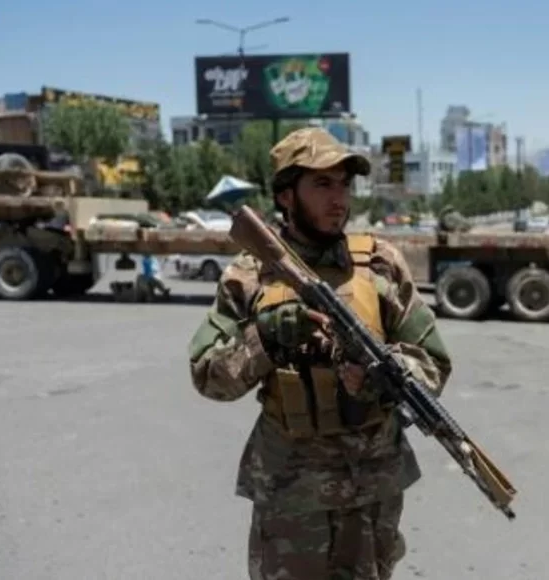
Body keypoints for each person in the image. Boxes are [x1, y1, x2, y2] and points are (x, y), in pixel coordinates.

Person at [187, 127, 453, 580]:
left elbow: (433, 362)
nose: (339, 199)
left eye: (345, 185)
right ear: (286, 195)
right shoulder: (250, 275)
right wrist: (266, 337)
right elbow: (208, 377)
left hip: (371, 489)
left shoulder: (380, 264)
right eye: (323, 184)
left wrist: (384, 375)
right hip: (291, 491)